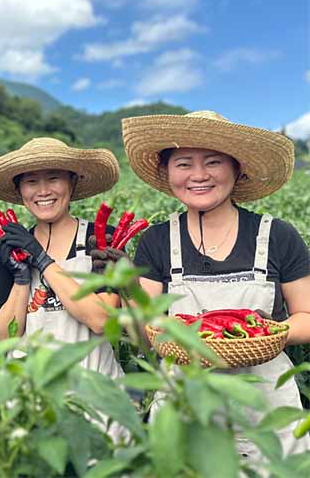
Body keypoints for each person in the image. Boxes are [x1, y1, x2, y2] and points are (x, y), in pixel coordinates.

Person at [120, 110, 310, 458]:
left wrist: (262, 337)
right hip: (184, 404)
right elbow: (141, 327)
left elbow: (307, 316)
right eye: (183, 163)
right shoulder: (158, 241)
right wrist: (123, 284)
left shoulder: (276, 236)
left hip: (265, 405)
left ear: (237, 169)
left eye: (213, 162)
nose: (198, 175)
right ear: (167, 172)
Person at [0, 137, 125, 380]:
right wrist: (21, 279)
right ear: (20, 191)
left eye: (53, 178)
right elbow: (6, 336)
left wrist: (42, 260)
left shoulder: (100, 238)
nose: (43, 191)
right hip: (30, 392)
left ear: (71, 182)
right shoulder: (13, 246)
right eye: (31, 182)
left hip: (95, 387)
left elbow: (101, 320)